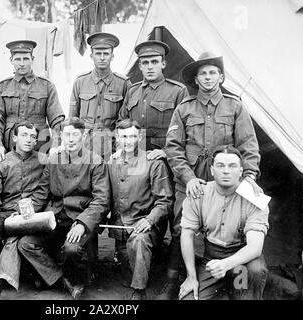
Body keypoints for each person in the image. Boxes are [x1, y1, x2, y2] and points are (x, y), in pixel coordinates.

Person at [161, 52, 262, 299]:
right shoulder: (184, 108)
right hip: (192, 181)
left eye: (212, 72)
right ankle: (177, 280)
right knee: (181, 227)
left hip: (226, 180)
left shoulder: (234, 105)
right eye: (203, 73)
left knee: (232, 226)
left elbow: (248, 145)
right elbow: (173, 148)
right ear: (196, 80)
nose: (208, 78)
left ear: (221, 76)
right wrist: (188, 178)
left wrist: (248, 175)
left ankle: (233, 281)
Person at [17, 117, 110, 300]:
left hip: (80, 217)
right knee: (26, 243)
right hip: (55, 216)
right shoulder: (54, 159)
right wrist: (25, 213)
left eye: (75, 134)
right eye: (67, 134)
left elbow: (102, 200)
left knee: (72, 249)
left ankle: (75, 278)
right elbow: (42, 193)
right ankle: (63, 281)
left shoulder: (95, 161)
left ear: (84, 136)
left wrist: (82, 224)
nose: (71, 139)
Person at [178, 145, 269, 300]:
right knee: (190, 297)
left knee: (254, 270)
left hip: (241, 260)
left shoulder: (254, 198)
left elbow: (255, 247)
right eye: (220, 166)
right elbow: (186, 235)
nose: (226, 171)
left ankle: (241, 293)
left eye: (232, 166)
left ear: (241, 171)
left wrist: (226, 265)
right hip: (211, 259)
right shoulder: (199, 193)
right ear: (212, 170)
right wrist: (191, 277)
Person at [0, 122, 46, 299]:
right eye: (24, 135)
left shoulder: (43, 161)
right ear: (14, 138)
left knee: (15, 236)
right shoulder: (1, 162)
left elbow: (46, 191)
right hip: (5, 213)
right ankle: (26, 271)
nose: (29, 140)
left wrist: (27, 211)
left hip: (32, 214)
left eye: (32, 137)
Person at [107, 119, 173, 300]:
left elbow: (165, 201)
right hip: (121, 228)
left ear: (139, 137)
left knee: (139, 241)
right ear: (117, 138)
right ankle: (150, 264)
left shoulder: (153, 163)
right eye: (124, 137)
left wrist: (149, 220)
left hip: (146, 227)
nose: (128, 141)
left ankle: (139, 292)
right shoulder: (112, 162)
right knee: (127, 274)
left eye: (132, 136)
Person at [0, 40, 65, 162]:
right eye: (18, 59)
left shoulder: (46, 86)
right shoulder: (3, 87)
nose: (22, 63)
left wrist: (55, 145)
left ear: (32, 59)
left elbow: (57, 120)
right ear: (11, 60)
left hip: (39, 146)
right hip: (10, 147)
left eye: (26, 59)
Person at [118, 40, 188, 161]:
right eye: (145, 62)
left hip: (165, 157)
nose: (150, 67)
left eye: (154, 62)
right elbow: (121, 123)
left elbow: (186, 128)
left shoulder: (178, 91)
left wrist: (166, 151)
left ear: (163, 64)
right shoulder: (132, 91)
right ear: (140, 66)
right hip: (136, 156)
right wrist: (121, 148)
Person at [69, 32, 131, 160]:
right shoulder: (80, 81)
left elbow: (126, 119)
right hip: (85, 143)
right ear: (91, 56)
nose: (102, 58)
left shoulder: (123, 83)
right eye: (98, 53)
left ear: (112, 56)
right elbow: (72, 119)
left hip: (112, 143)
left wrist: (120, 145)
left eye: (106, 54)